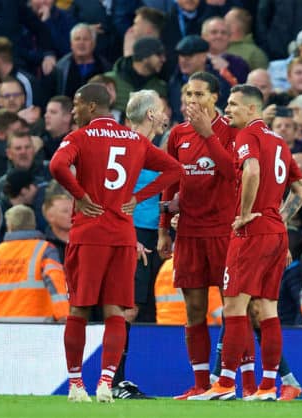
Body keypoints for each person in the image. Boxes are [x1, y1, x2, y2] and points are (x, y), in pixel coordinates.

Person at [49, 83, 182, 403]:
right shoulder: (134, 140)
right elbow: (174, 169)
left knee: (78, 310)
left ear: (93, 107)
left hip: (89, 234)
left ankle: (77, 385)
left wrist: (80, 197)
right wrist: (137, 198)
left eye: (77, 105)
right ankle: (107, 382)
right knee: (116, 312)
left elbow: (56, 165)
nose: (73, 111)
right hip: (123, 236)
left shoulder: (79, 137)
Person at [188, 84, 302, 401]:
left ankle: (225, 384)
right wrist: (278, 218)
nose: (227, 109)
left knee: (235, 307)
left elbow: (251, 171)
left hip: (252, 232)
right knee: (267, 309)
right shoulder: (280, 143)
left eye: (233, 104)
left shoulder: (248, 136)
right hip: (274, 233)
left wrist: (245, 214)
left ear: (252, 109)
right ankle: (268, 386)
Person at [156, 71, 238, 400]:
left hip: (223, 232)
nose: (192, 101)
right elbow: (170, 181)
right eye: (188, 95)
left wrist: (209, 136)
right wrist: (164, 228)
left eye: (200, 95)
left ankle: (235, 382)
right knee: (194, 310)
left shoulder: (231, 130)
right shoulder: (177, 134)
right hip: (188, 232)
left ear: (215, 98)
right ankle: (201, 384)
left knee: (235, 308)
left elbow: (233, 172)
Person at [109, 89, 172, 400]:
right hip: (131, 233)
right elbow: (115, 194)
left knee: (131, 308)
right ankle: (115, 381)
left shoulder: (144, 145)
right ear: (150, 115)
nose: (164, 116)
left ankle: (115, 380)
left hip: (145, 232)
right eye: (160, 110)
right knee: (127, 308)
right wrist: (129, 235)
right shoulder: (128, 145)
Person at [0, 204, 68, 322]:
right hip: (39, 327)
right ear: (33, 224)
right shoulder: (45, 249)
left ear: (9, 226)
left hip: (2, 328)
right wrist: (64, 318)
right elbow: (56, 285)